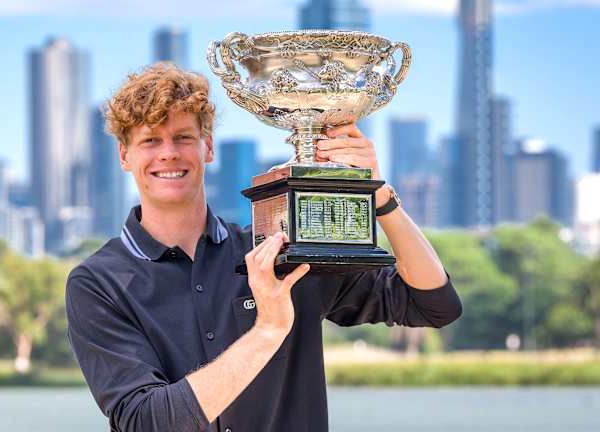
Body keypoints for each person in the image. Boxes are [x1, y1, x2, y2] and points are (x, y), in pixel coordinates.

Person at [65, 62, 462, 432]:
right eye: (150, 140)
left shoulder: (281, 253)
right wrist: (268, 328)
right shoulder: (98, 283)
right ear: (124, 155)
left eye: (184, 137)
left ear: (208, 147)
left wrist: (378, 195)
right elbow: (145, 421)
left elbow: (434, 304)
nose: (168, 152)